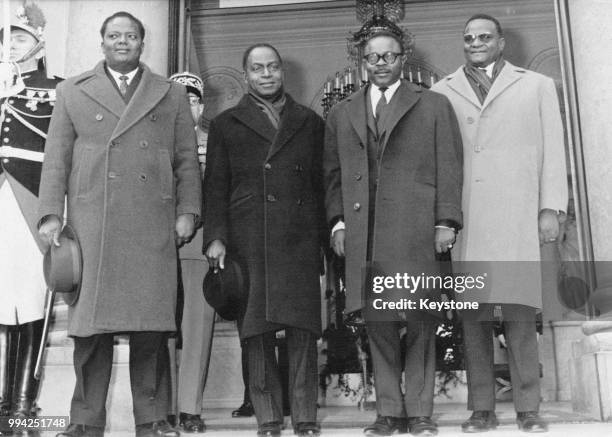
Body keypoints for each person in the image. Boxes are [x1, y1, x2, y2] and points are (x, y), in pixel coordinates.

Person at [37, 11, 201, 437]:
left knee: (151, 330)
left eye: (130, 36)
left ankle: (153, 419)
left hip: (152, 222)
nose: (122, 42)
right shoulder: (73, 91)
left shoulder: (170, 94)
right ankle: (84, 421)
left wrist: (188, 211)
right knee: (90, 333)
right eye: (114, 36)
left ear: (142, 43)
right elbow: (56, 159)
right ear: (102, 42)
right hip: (94, 224)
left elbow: (186, 160)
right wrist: (52, 214)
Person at [431, 13, 568, 434]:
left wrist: (551, 209)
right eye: (469, 37)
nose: (476, 43)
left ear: (502, 41)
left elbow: (554, 151)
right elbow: (437, 162)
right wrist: (443, 218)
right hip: (468, 219)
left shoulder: (537, 86)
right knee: (474, 322)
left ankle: (529, 407)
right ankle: (482, 409)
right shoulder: (441, 91)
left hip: (517, 216)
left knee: (521, 317)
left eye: (484, 36)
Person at [323, 28, 463, 436]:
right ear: (361, 62)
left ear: (404, 59)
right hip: (364, 232)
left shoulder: (433, 105)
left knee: (420, 320)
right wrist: (338, 223)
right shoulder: (341, 112)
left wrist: (445, 222)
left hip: (416, 229)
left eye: (389, 56)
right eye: (372, 57)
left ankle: (419, 412)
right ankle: (388, 412)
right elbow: (331, 176)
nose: (380, 64)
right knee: (377, 322)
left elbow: (449, 168)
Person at [202, 43, 325, 437]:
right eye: (258, 69)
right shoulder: (226, 124)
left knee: (303, 330)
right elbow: (215, 187)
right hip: (248, 236)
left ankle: (305, 416)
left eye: (273, 67)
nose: (267, 74)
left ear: (282, 73)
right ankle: (268, 416)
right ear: (246, 75)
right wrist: (216, 239)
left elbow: (322, 186)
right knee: (256, 331)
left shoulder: (309, 121)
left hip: (300, 236)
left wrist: (326, 242)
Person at [0, 4, 61, 434]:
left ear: (39, 42)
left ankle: (21, 404)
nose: (11, 46)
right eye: (7, 38)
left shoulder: (59, 89)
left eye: (20, 37)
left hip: (30, 204)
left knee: (30, 302)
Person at [168, 71, 214, 433]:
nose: (187, 106)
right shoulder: (152, 142)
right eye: (179, 99)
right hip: (159, 248)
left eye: (193, 99)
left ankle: (189, 408)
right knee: (161, 328)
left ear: (203, 106)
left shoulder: (215, 143)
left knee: (197, 327)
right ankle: (165, 405)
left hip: (199, 247)